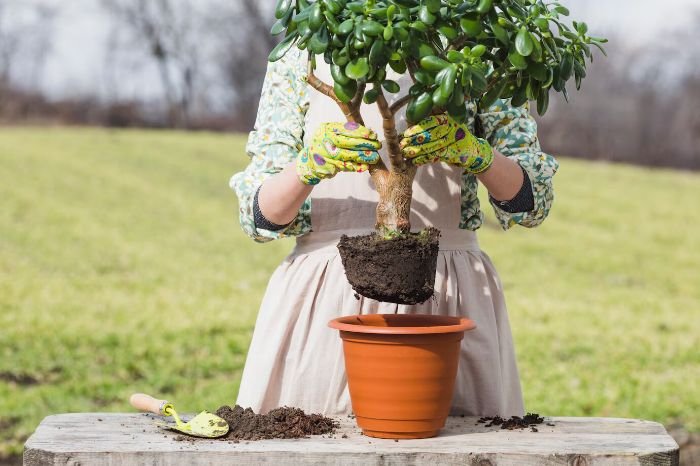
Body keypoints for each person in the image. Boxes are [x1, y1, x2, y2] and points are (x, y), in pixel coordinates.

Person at [230, 45, 559, 417]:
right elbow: (258, 219)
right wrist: (310, 164)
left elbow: (533, 204)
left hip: (448, 297)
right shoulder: (301, 55)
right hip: (325, 300)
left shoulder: (478, 48)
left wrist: (476, 152)